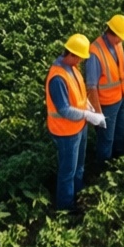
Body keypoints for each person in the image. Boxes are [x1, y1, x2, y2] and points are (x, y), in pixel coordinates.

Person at [45, 34, 105, 214]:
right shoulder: (58, 78)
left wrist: (88, 107)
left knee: (79, 166)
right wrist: (87, 114)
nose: (81, 60)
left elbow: (78, 97)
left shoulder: (72, 67)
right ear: (72, 54)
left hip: (79, 126)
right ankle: (66, 208)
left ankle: (78, 194)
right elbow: (64, 109)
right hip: (66, 132)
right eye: (80, 56)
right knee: (67, 172)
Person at [84, 15, 124, 169]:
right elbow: (91, 87)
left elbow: (120, 69)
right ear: (113, 33)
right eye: (120, 37)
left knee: (120, 133)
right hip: (106, 105)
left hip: (120, 97)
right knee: (106, 140)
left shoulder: (117, 44)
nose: (122, 41)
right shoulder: (95, 53)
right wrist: (98, 114)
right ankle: (103, 171)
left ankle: (118, 163)